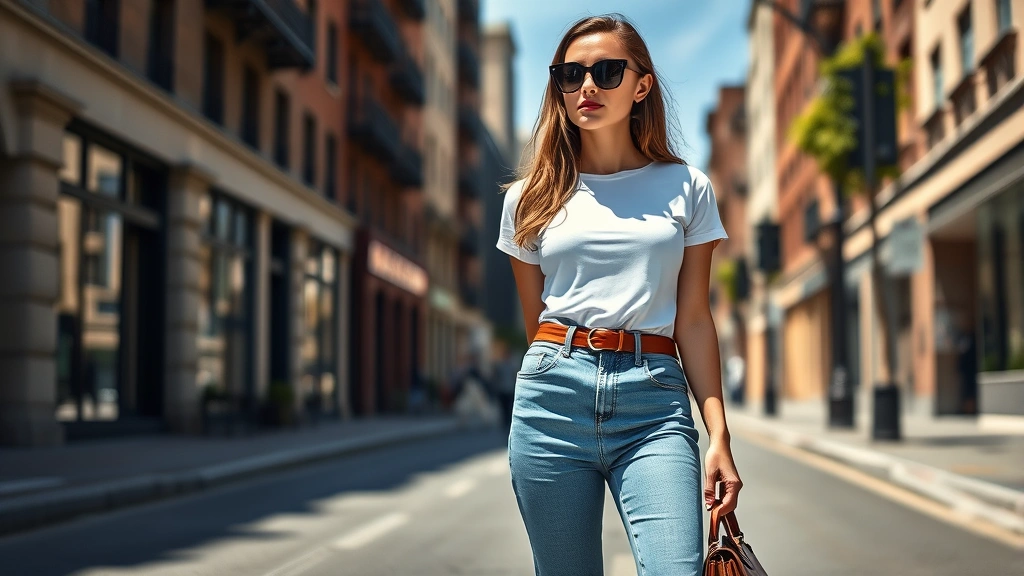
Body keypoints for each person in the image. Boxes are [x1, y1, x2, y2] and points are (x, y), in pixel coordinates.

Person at [496, 15, 743, 575]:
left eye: (607, 72)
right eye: (570, 74)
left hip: (653, 403)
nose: (587, 86)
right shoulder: (528, 198)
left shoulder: (687, 187)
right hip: (552, 400)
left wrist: (719, 434)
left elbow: (694, 320)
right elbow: (536, 323)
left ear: (641, 86)